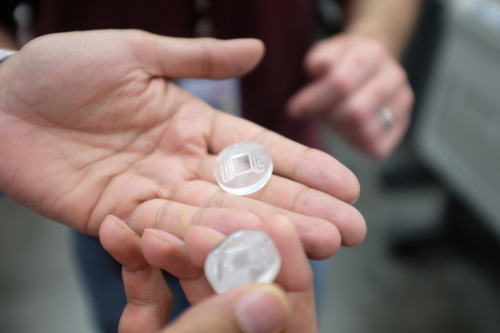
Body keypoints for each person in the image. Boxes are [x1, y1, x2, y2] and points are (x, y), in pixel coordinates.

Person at [0, 29, 365, 332]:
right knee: (128, 299)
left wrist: (371, 36)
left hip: (280, 196)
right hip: (113, 211)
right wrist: (9, 94)